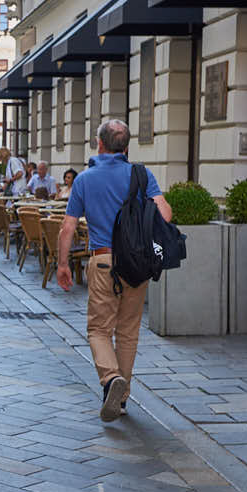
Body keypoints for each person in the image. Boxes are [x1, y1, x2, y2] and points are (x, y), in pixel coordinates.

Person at [56, 120, 172, 421]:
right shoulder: (141, 175)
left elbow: (68, 227)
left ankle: (110, 379)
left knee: (98, 328)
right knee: (129, 331)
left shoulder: (84, 179)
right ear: (127, 147)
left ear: (100, 144)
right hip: (137, 263)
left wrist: (63, 263)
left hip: (103, 259)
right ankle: (121, 399)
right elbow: (165, 213)